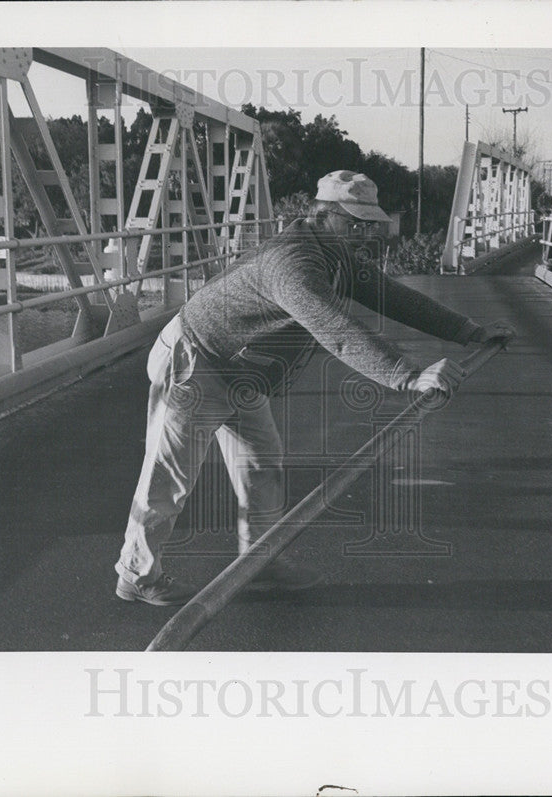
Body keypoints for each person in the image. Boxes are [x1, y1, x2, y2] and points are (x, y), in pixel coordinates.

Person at [115, 170, 516, 605]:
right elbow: (335, 330)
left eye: (369, 224)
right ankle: (136, 575)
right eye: (353, 222)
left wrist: (468, 331)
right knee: (168, 478)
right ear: (323, 215)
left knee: (262, 465)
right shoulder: (293, 263)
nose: (364, 233)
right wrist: (406, 374)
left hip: (242, 373)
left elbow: (394, 297)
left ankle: (258, 562)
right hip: (195, 360)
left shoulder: (335, 254)